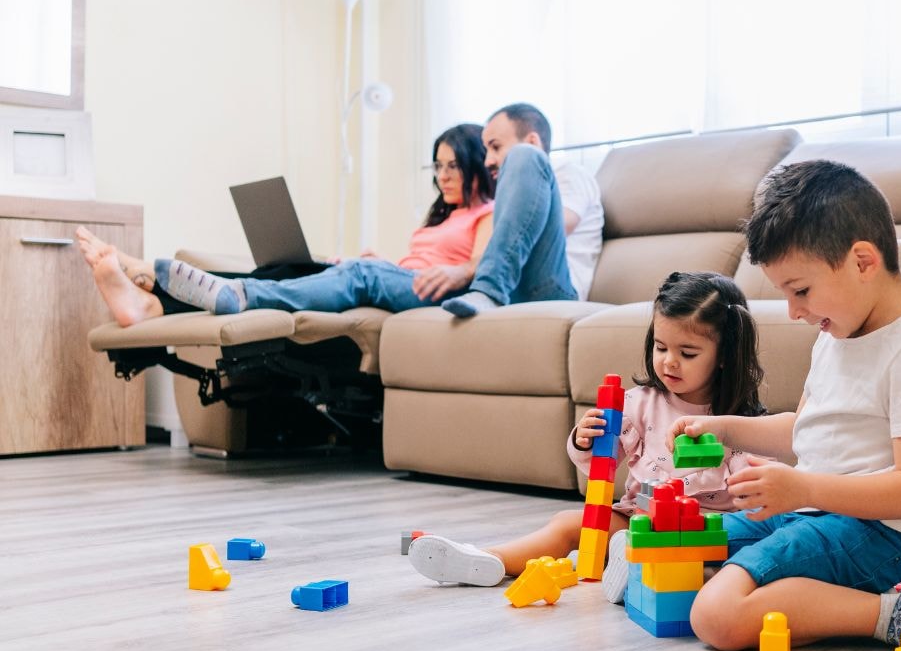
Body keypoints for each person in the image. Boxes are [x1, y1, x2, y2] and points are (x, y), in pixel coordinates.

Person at [668, 160, 901, 651]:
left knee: (716, 616)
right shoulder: (837, 333)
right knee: (677, 548)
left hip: (875, 535)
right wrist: (722, 428)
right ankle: (780, 595)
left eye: (801, 290)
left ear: (862, 261)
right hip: (808, 515)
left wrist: (803, 488)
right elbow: (804, 432)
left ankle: (899, 613)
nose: (794, 311)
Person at [408, 271, 769, 602]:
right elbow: (601, 463)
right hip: (634, 522)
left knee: (727, 554)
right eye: (661, 348)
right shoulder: (641, 403)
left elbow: (755, 491)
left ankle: (649, 574)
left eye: (687, 353)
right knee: (568, 524)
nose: (669, 362)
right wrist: (586, 438)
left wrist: (746, 485)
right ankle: (487, 559)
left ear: (725, 355)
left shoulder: (739, 424)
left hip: (702, 532)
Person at [77, 123, 496, 324]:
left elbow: (476, 267)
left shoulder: (488, 213)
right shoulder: (442, 218)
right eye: (438, 166)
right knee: (289, 270)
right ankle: (153, 305)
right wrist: (385, 264)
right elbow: (416, 267)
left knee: (356, 272)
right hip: (405, 281)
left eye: (453, 166)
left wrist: (375, 270)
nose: (443, 176)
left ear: (478, 165)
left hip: (431, 292)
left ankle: (150, 278)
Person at [440, 102, 603, 317]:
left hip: (556, 289)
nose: (487, 161)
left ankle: (489, 289)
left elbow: (559, 226)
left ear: (533, 141)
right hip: (513, 286)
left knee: (524, 155)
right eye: (486, 151)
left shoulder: (569, 173)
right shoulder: (511, 190)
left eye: (496, 147)